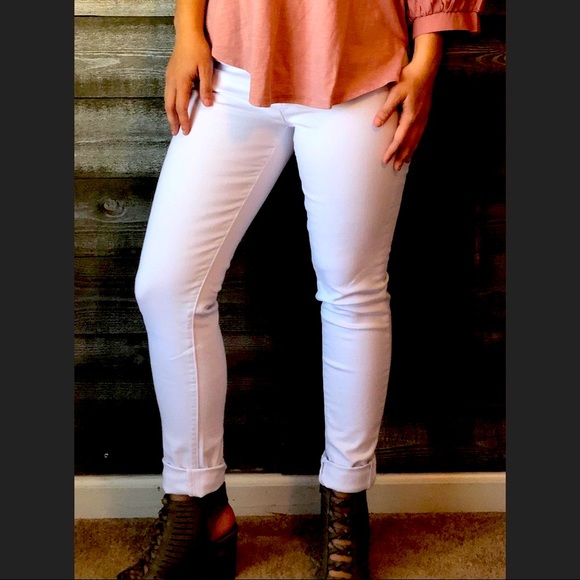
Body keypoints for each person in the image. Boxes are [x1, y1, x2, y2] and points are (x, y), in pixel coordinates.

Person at [117, 1, 483, 578]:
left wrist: (426, 60)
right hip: (232, 65)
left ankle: (346, 505)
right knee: (167, 287)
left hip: (361, 65)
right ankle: (198, 508)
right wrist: (187, 30)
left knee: (352, 293)